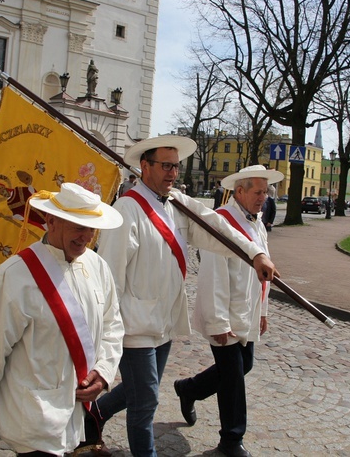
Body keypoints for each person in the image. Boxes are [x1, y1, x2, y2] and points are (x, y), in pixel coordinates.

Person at [83, 135, 278, 457]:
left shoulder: (176, 203)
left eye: (176, 166)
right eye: (166, 166)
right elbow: (111, 280)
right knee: (146, 402)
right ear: (145, 167)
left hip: (164, 322)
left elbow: (217, 227)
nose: (172, 173)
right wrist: (107, 334)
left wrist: (255, 253)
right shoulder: (127, 210)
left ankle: (94, 417)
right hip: (134, 326)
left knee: (138, 391)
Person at [0, 183, 124, 456]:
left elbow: (113, 325)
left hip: (81, 415)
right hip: (35, 417)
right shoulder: (16, 275)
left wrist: (104, 372)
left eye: (91, 228)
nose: (86, 236)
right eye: (78, 226)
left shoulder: (97, 265)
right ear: (51, 220)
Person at [174, 165, 283, 457]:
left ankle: (189, 389)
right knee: (233, 375)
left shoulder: (257, 223)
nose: (264, 197)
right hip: (225, 314)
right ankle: (231, 441)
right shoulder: (221, 223)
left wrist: (262, 311)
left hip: (247, 310)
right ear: (240, 191)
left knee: (243, 366)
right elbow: (212, 277)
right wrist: (218, 322)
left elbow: (263, 271)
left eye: (266, 192)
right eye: (258, 191)